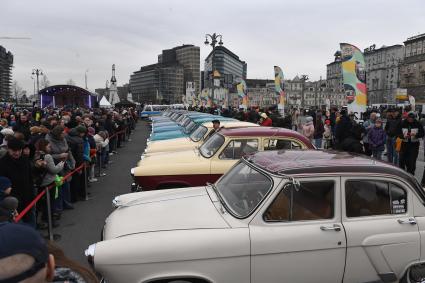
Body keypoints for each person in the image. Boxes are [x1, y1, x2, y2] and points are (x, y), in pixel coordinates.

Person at [0, 138, 36, 228]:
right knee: (19, 225)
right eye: (13, 151)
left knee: (31, 219)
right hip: (14, 200)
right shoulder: (2, 163)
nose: (17, 153)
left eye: (19, 150)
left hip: (28, 196)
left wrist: (32, 192)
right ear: (8, 149)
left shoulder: (25, 159)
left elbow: (30, 177)